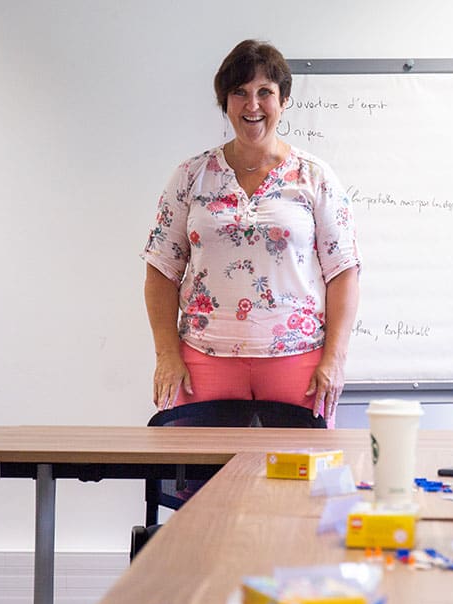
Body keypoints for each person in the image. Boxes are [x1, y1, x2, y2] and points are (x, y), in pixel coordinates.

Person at [142, 39, 360, 427]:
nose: (252, 105)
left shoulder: (315, 177)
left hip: (297, 360)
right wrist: (166, 354)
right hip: (203, 357)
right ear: (224, 102)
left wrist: (335, 358)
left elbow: (343, 273)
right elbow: (161, 270)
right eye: (239, 93)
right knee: (198, 484)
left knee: (295, 484)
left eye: (265, 93)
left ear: (284, 100)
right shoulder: (191, 175)